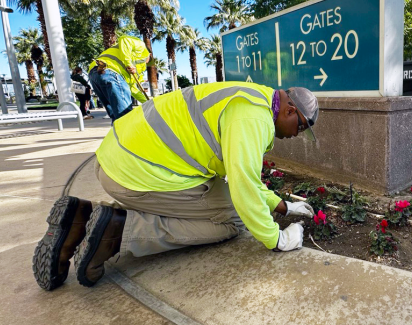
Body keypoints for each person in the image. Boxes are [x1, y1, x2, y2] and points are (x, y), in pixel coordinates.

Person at [32, 82, 319, 290]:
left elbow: (243, 178)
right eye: (301, 128)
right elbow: (243, 189)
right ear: (290, 110)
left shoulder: (254, 98)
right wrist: (276, 240)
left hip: (117, 158)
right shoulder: (253, 119)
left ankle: (80, 219)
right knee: (231, 220)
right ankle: (119, 231)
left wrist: (282, 206)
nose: (297, 135)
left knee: (225, 200)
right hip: (135, 173)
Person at [87, 36, 150, 121]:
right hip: (110, 71)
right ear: (149, 54)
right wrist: (128, 63)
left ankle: (118, 134)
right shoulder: (142, 47)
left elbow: (132, 89)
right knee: (125, 116)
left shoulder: (134, 70)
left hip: (95, 73)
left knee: (117, 118)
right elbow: (125, 40)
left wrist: (148, 102)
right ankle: (127, 134)